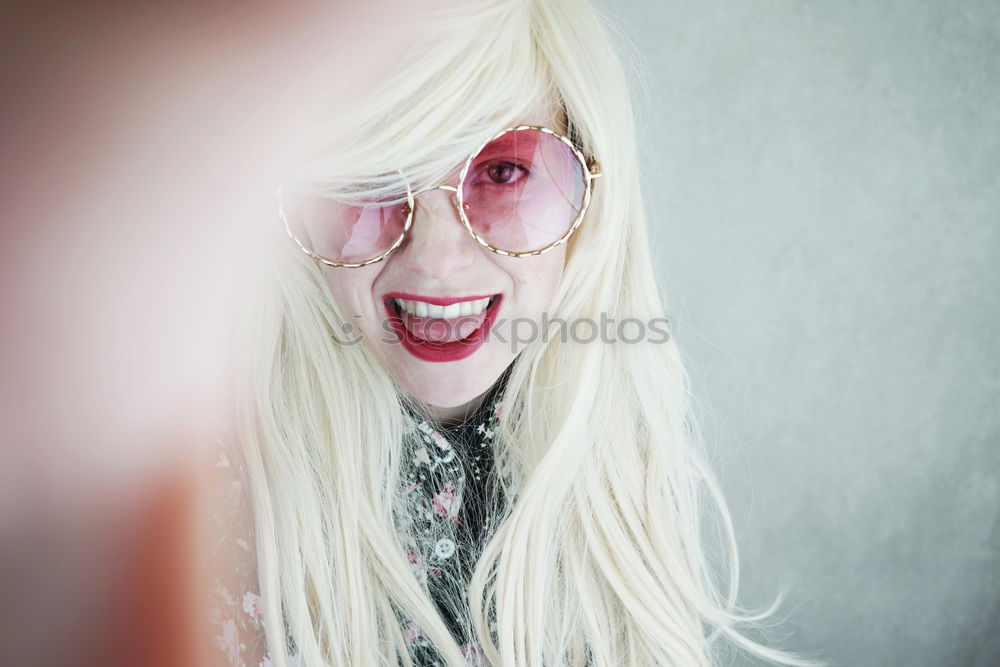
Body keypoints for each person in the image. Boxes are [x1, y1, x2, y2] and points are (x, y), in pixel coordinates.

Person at [208, 1, 817, 665]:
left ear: (591, 195)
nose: (436, 260)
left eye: (502, 171)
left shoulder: (621, 476)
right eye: (371, 178)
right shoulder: (198, 515)